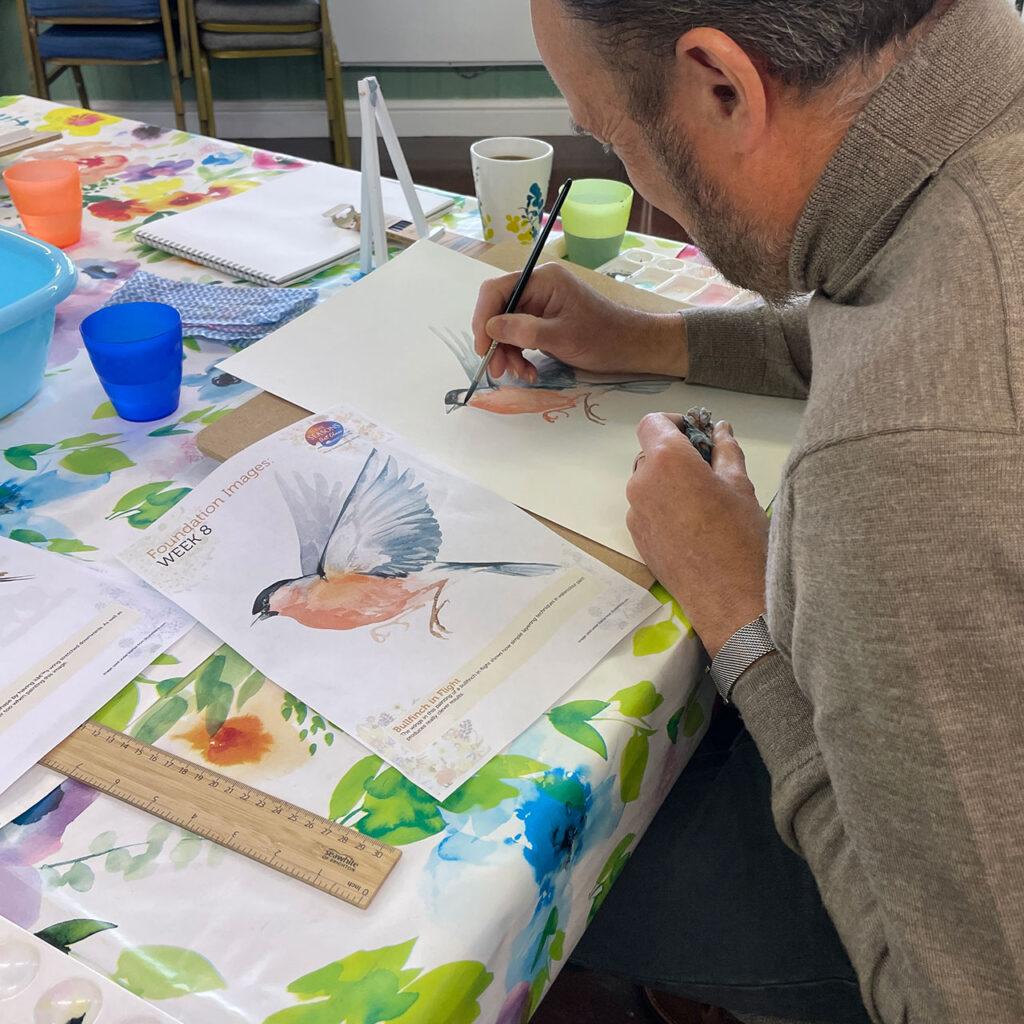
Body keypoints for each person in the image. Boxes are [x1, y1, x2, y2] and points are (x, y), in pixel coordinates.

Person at [471, 1, 1024, 1022]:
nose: (633, 177)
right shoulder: (977, 122)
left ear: (722, 86)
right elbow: (877, 300)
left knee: (515, 864)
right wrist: (645, 338)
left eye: (611, 138)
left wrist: (736, 611)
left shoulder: (906, 460)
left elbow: (960, 999)